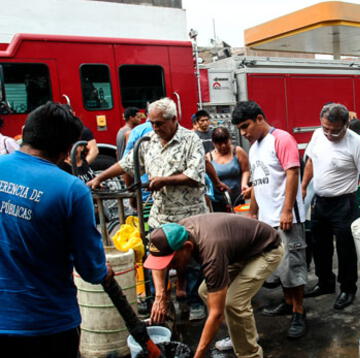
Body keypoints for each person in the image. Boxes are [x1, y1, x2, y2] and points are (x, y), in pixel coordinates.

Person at [0, 102, 108, 357]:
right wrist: (103, 269)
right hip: (47, 324)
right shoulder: (71, 190)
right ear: (67, 150)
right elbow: (92, 270)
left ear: (25, 130)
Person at [88, 97, 211, 320]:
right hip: (160, 214)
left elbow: (195, 176)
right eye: (152, 123)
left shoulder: (190, 139)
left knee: (192, 261)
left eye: (159, 123)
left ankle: (194, 301)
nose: (155, 128)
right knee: (157, 259)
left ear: (174, 120)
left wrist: (165, 180)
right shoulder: (148, 141)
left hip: (190, 215)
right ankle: (161, 301)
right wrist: (100, 177)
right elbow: (126, 164)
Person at [144, 214, 284, 358]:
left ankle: (249, 354)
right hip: (241, 251)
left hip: (266, 251)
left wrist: (198, 355)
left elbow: (216, 314)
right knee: (205, 291)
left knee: (233, 303)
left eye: (172, 262)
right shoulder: (177, 232)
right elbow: (158, 262)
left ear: (187, 247)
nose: (170, 267)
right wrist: (159, 296)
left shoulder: (211, 254)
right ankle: (240, 335)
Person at [231, 100, 308, 339]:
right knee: (278, 267)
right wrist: (253, 213)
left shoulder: (282, 139)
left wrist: (287, 210)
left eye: (246, 126)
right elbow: (257, 184)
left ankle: (299, 311)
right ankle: (287, 303)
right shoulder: (254, 148)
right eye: (240, 129)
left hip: (286, 217)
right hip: (267, 219)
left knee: (293, 265)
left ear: (260, 118)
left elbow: (292, 173)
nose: (244, 133)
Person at [301, 103, 360, 309]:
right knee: (319, 246)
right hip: (321, 202)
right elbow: (310, 162)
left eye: (335, 130)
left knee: (345, 250)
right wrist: (304, 186)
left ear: (346, 124)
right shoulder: (317, 135)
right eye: (326, 128)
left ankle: (347, 288)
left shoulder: (356, 143)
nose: (329, 134)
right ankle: (325, 282)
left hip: (345, 204)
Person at [206, 127, 250, 212]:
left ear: (229, 139)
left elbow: (246, 170)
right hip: (218, 200)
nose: (223, 146)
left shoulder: (237, 151)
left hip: (238, 198)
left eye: (226, 142)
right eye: (219, 143)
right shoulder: (209, 157)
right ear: (214, 143)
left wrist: (244, 184)